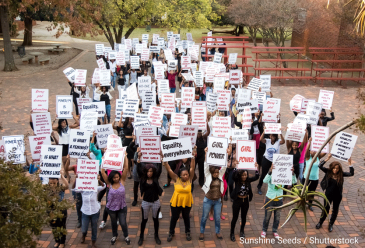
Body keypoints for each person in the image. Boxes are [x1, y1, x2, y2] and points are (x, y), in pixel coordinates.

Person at [163, 149, 196, 242]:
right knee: (174, 217)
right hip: (176, 202)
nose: (186, 176)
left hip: (187, 202)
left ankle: (188, 232)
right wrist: (164, 161)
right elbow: (169, 169)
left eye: (187, 174)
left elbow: (192, 168)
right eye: (184, 175)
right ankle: (171, 232)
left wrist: (193, 157)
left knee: (186, 218)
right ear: (180, 175)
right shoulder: (176, 179)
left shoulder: (190, 179)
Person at [199, 146, 231, 241]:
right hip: (208, 200)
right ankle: (201, 232)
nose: (217, 174)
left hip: (217, 201)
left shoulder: (220, 175)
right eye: (215, 173)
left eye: (218, 172)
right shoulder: (208, 175)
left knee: (217, 218)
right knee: (204, 217)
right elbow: (205, 165)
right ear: (212, 172)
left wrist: (226, 155)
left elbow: (224, 167)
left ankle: (218, 232)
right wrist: (206, 154)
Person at [316, 154, 354, 232]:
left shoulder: (341, 174)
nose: (335, 170)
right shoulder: (328, 172)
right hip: (328, 195)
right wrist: (327, 158)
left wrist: (350, 163)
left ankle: (331, 224)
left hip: (337, 196)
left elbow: (351, 173)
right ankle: (320, 222)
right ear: (332, 168)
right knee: (326, 209)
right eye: (334, 168)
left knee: (335, 210)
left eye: (337, 168)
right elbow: (320, 166)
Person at [100, 155, 131, 245]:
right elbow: (102, 172)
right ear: (111, 178)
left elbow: (125, 169)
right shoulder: (109, 183)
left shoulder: (122, 181)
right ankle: (114, 235)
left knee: (123, 223)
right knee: (114, 223)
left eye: (117, 177)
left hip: (122, 206)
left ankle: (126, 236)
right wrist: (103, 160)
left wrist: (125, 157)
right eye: (114, 178)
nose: (116, 179)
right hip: (111, 207)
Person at [261, 164, 297, 239]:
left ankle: (275, 231)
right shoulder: (271, 175)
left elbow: (294, 182)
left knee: (277, 217)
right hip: (270, 199)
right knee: (267, 217)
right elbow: (264, 180)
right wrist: (270, 171)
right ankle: (264, 230)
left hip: (279, 200)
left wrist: (292, 173)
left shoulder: (284, 176)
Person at [136, 152, 163, 245]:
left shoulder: (155, 177)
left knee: (155, 219)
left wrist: (160, 157)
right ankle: (141, 236)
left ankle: (156, 235)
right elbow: (138, 169)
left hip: (155, 201)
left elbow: (160, 169)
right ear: (145, 171)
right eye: (148, 171)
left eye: (151, 171)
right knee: (144, 220)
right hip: (145, 202)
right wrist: (138, 159)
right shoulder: (142, 178)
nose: (149, 173)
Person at [72, 175, 106, 248]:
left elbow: (104, 186)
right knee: (84, 227)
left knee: (94, 227)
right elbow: (73, 189)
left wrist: (99, 180)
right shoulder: (82, 189)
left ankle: (93, 242)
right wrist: (76, 179)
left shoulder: (96, 189)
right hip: (85, 212)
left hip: (95, 211)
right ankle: (84, 235)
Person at [230, 163, 259, 241]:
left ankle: (242, 231)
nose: (244, 177)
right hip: (237, 201)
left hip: (245, 201)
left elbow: (256, 177)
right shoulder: (237, 180)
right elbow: (233, 176)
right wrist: (236, 166)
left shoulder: (248, 180)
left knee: (244, 217)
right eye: (242, 175)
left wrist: (256, 168)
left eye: (245, 175)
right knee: (235, 217)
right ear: (240, 176)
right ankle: (232, 233)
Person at [257, 128, 285, 195]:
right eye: (270, 136)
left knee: (275, 174)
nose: (271, 137)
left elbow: (283, 141)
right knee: (264, 174)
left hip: (275, 161)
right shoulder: (267, 141)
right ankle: (259, 186)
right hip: (266, 159)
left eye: (273, 136)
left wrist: (280, 133)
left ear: (275, 137)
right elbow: (260, 139)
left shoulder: (278, 142)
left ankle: (274, 187)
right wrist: (264, 131)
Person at [52, 114, 79, 181]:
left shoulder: (69, 127)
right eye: (62, 122)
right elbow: (50, 127)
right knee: (64, 162)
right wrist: (55, 119)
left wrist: (74, 117)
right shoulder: (59, 129)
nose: (63, 123)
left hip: (69, 146)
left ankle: (66, 173)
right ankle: (67, 175)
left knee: (68, 161)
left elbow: (78, 124)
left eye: (64, 122)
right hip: (62, 146)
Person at [302, 137, 326, 210]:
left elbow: (325, 153)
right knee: (304, 192)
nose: (313, 152)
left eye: (315, 151)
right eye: (312, 151)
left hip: (315, 179)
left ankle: (310, 204)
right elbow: (306, 150)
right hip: (306, 178)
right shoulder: (307, 157)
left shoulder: (318, 157)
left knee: (312, 192)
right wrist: (309, 142)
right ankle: (302, 203)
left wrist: (327, 144)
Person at [48, 170, 69, 248]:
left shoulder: (60, 187)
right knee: (54, 226)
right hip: (51, 210)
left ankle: (62, 242)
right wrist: (38, 175)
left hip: (61, 210)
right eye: (51, 183)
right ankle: (57, 241)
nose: (52, 185)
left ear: (57, 181)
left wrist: (62, 176)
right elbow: (38, 187)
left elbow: (67, 185)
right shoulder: (47, 188)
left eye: (54, 183)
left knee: (61, 226)